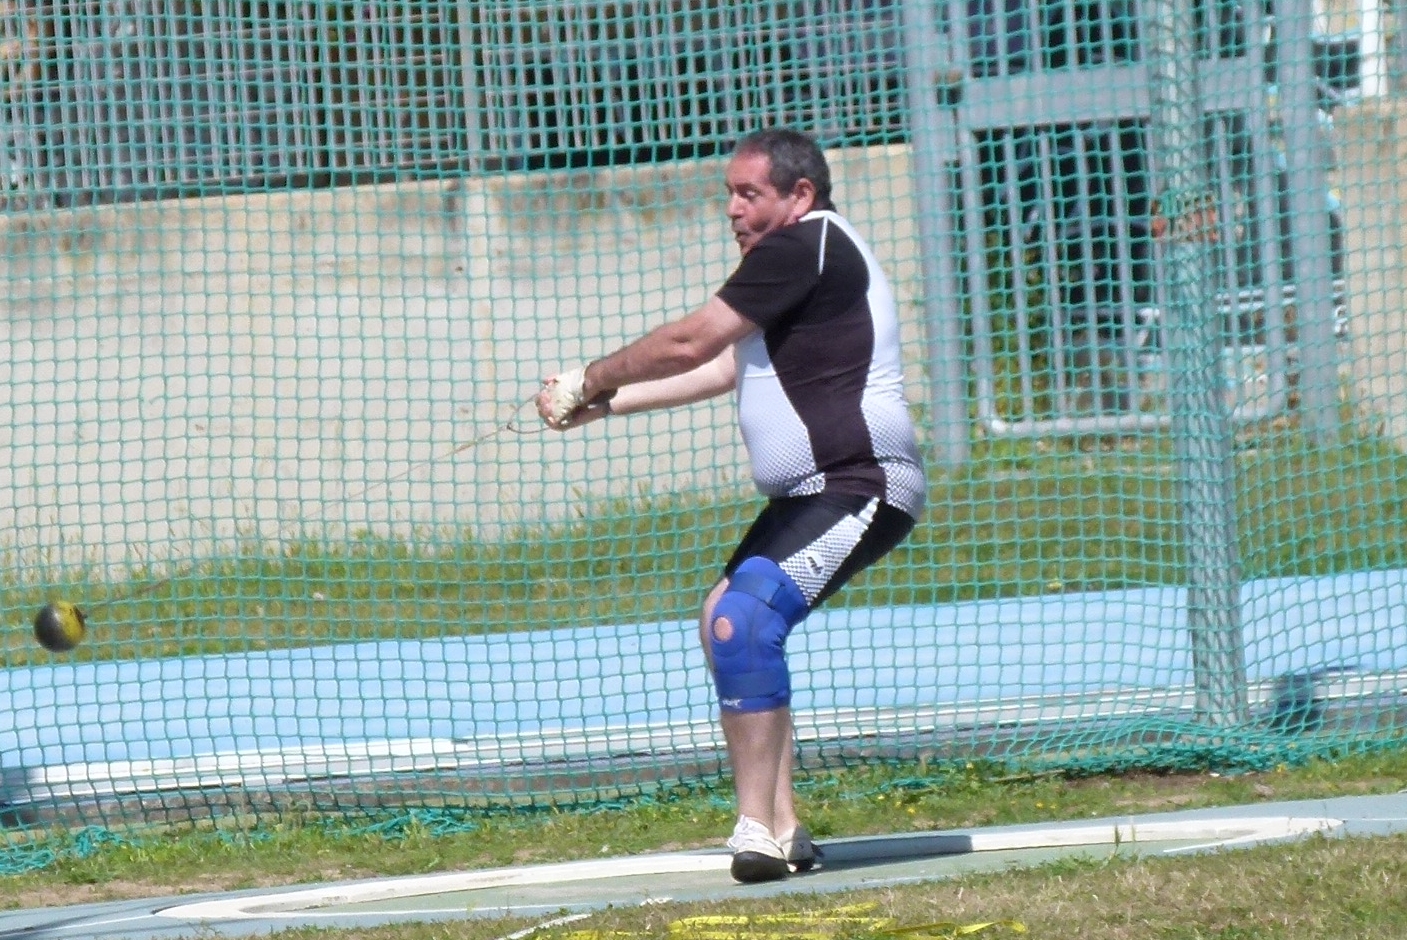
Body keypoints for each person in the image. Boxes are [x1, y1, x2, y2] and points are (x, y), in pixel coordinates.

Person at [536, 127, 927, 884]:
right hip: (814, 489)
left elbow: (689, 342)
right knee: (723, 618)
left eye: (749, 193)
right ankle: (782, 827)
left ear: (799, 195)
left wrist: (591, 375)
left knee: (741, 620)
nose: (732, 209)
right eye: (729, 194)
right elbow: (723, 366)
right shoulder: (796, 256)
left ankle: (755, 831)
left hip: (858, 483)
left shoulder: (804, 244)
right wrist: (608, 405)